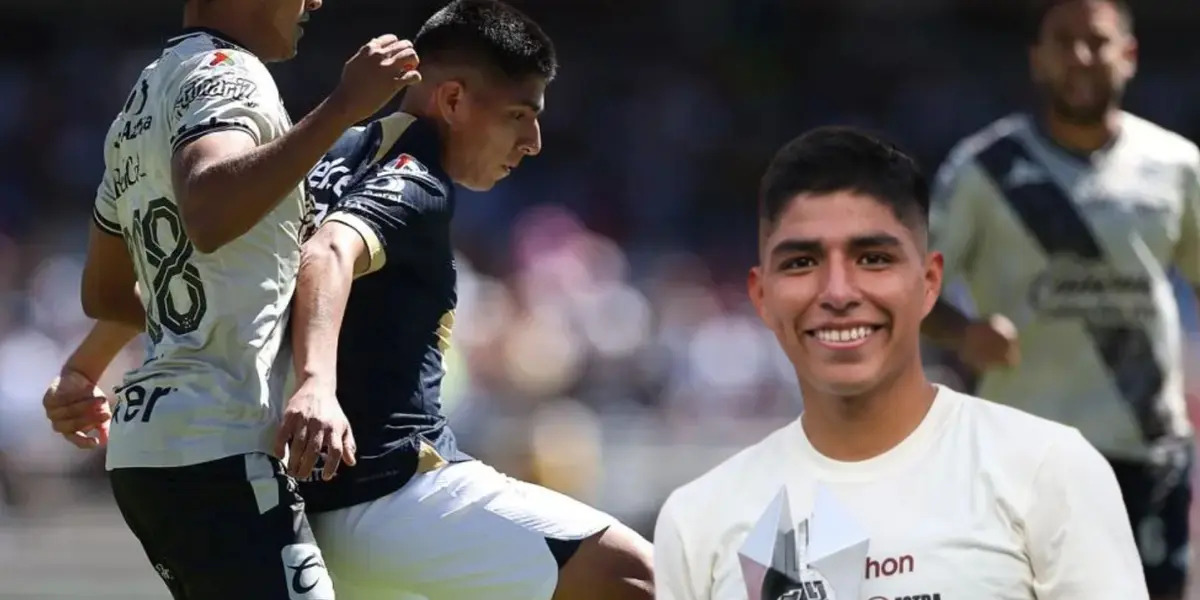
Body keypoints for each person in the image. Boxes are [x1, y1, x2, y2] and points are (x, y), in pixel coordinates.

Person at [653, 127, 1146, 600]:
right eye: (802, 262)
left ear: (930, 283)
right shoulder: (699, 521)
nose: (838, 293)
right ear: (762, 296)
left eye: (873, 259)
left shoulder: (1047, 470)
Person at [41, 0, 420, 596]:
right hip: (220, 441)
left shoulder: (139, 101)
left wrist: (83, 365)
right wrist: (344, 105)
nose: (314, 1)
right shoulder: (228, 72)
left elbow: (106, 292)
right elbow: (209, 209)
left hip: (150, 448)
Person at [284, 2, 654, 598]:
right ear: (452, 101)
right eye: (518, 115)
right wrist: (315, 384)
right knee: (639, 575)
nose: (533, 141)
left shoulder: (326, 155)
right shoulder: (417, 180)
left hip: (312, 513)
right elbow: (327, 252)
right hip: (393, 496)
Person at [921, 2, 1199, 597]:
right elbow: (912, 290)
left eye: (1096, 41)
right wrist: (965, 333)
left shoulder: (1177, 166)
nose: (1079, 57)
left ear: (1128, 55)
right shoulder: (984, 169)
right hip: (1022, 459)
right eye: (1063, 41)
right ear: (1037, 59)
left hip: (1147, 450)